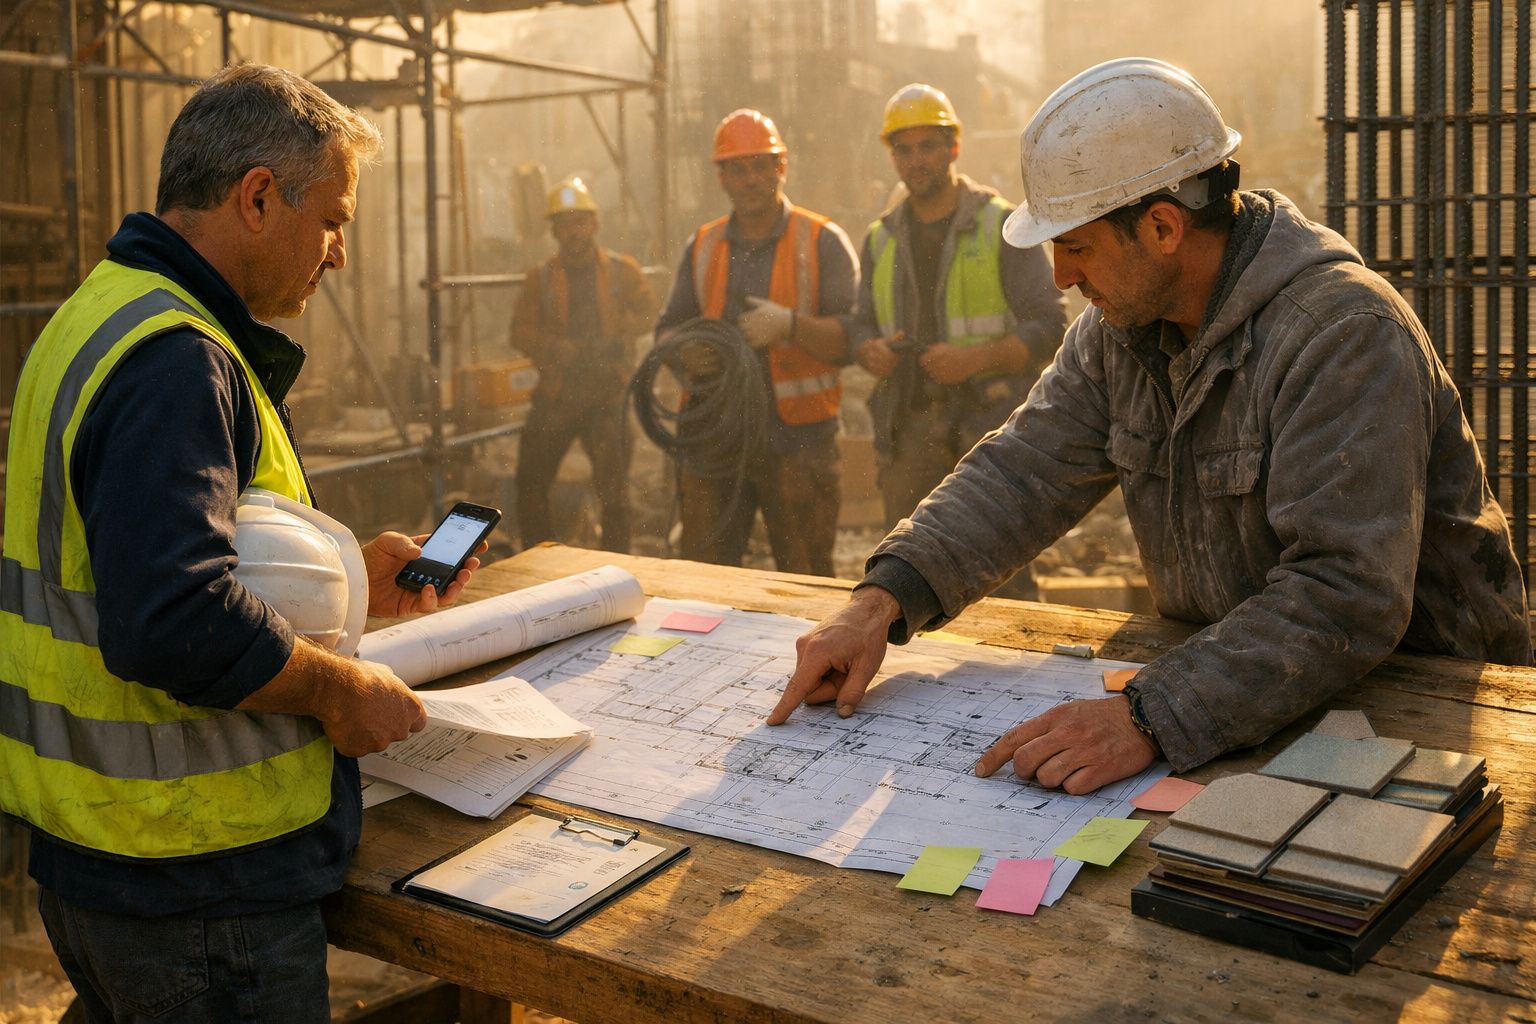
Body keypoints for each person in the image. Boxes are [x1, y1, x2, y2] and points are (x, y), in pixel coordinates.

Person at [768, 58, 1531, 795]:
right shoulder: (1120, 334)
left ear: (1163, 227)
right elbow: (1022, 471)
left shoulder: (1341, 334)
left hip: (1426, 711)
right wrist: (879, 602)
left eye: (1075, 246)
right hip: (1236, 700)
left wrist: (1149, 715)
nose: (1062, 278)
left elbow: (1344, 594)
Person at [0, 64, 481, 1023]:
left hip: (104, 860)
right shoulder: (177, 358)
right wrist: (338, 688)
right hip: (195, 884)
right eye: (334, 218)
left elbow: (141, 558)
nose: (339, 252)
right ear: (257, 197)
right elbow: (175, 618)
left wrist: (345, 576)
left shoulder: (103, 312)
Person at [851, 83, 1067, 542]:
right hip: (909, 428)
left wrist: (975, 359)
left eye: (928, 146)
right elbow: (861, 322)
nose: (916, 160)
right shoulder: (879, 238)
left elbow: (1050, 324)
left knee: (1000, 562)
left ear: (954, 147)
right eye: (904, 149)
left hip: (989, 429)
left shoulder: (1001, 225)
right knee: (908, 565)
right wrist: (867, 349)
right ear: (892, 157)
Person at [653, 108, 859, 576]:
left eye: (761, 166)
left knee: (805, 582)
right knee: (705, 582)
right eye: (737, 168)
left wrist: (791, 325)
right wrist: (684, 352)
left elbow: (852, 338)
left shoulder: (822, 240)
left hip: (798, 443)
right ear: (721, 177)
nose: (750, 179)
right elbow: (666, 328)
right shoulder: (703, 244)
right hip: (713, 442)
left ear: (780, 168)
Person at [511, 175, 656, 553]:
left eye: (580, 221)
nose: (574, 231)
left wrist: (617, 337)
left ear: (594, 224)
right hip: (559, 393)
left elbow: (648, 312)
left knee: (616, 493)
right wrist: (554, 348)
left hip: (608, 392)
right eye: (565, 223)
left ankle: (617, 569)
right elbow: (520, 332)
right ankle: (537, 564)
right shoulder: (539, 279)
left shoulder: (623, 271)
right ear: (554, 231)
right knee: (531, 483)